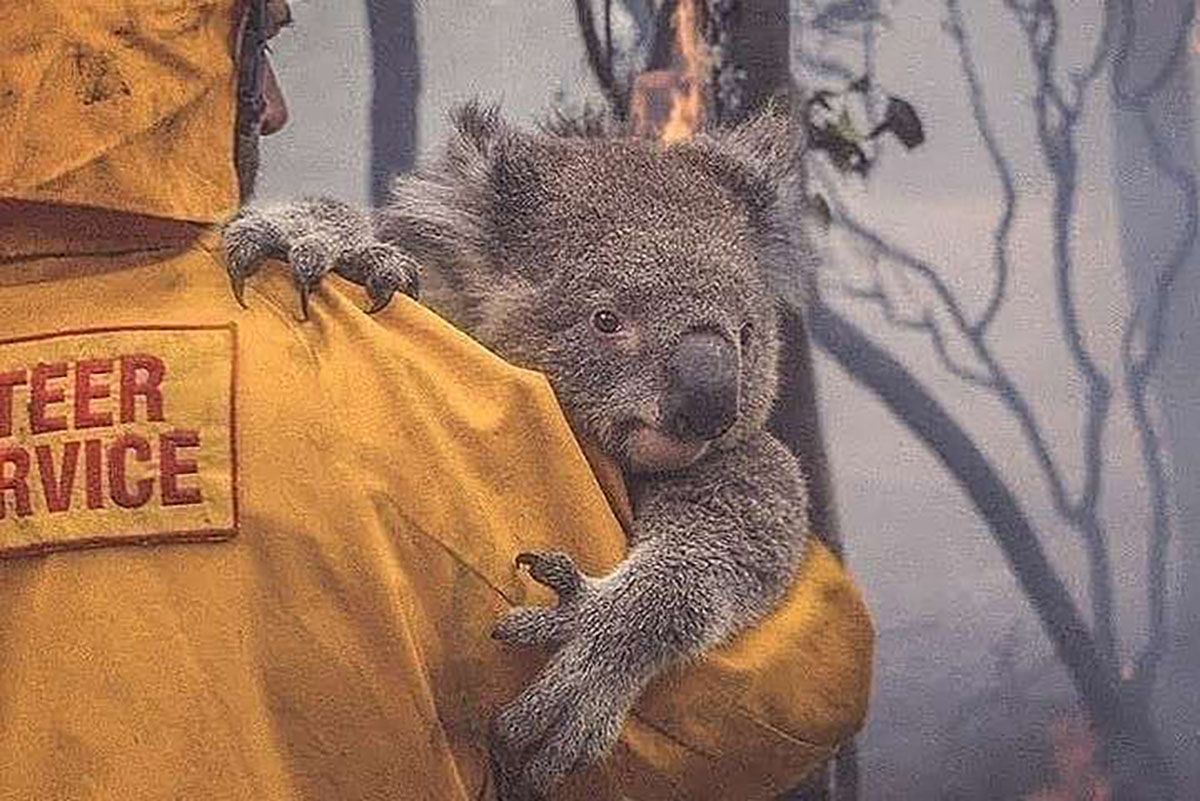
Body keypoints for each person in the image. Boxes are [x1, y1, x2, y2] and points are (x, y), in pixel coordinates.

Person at [0, 1, 873, 798]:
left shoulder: (326, 321)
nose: (275, 106)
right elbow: (794, 696)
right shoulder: (397, 397)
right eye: (255, 47)